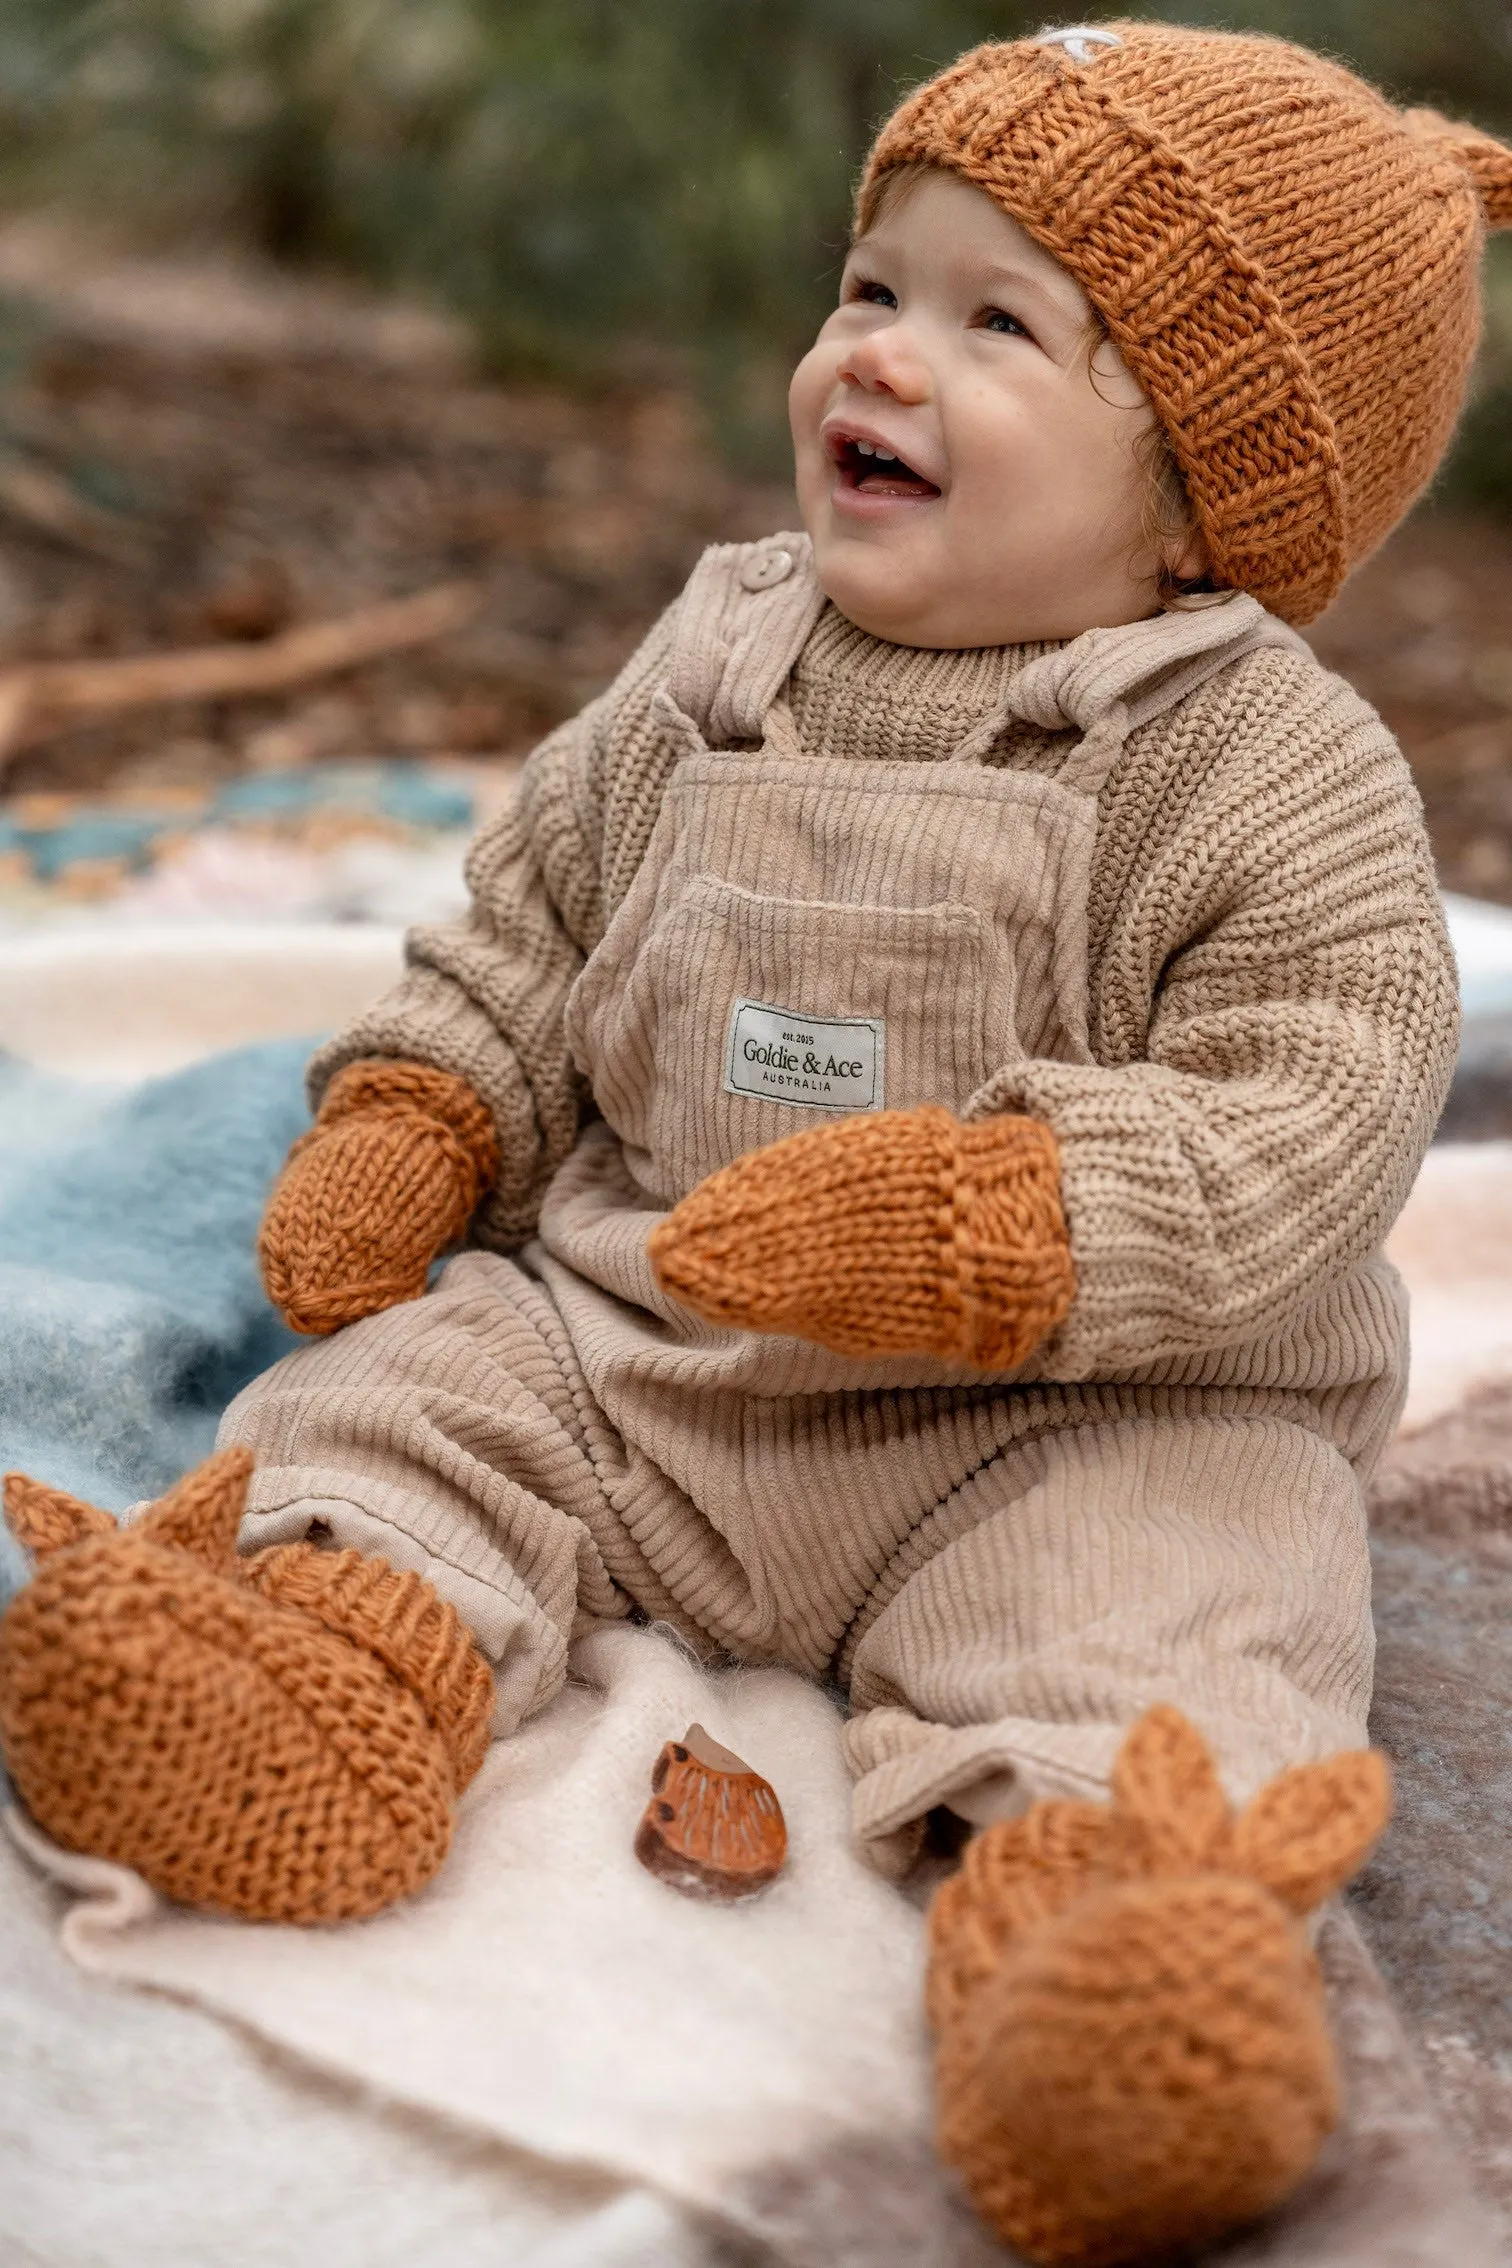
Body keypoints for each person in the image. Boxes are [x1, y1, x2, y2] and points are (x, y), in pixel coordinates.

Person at [6, 23, 1510, 2263]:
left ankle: (1104, 1950)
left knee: (1186, 1614)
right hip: (651, 1355)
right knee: (420, 1398)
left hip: (1070, 1425)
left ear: (1205, 497)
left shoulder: (1270, 770)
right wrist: (432, 1106)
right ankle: (324, 1666)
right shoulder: (720, 651)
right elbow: (532, 919)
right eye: (872, 286)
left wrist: (1018, 1218)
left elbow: (1315, 1107)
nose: (881, 360)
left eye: (997, 322)